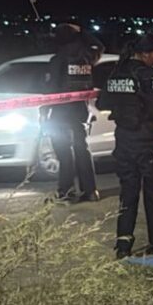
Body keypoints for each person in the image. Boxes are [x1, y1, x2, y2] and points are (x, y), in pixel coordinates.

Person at [96, 33, 153, 259]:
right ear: (144, 53)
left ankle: (123, 245)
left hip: (124, 141)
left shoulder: (118, 71)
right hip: (147, 142)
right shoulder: (147, 75)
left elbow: (102, 102)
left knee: (127, 193)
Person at [43, 23, 103, 202]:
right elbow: (100, 46)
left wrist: (44, 112)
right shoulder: (86, 57)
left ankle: (65, 192)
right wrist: (83, 32)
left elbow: (51, 90)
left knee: (63, 152)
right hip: (80, 111)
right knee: (82, 150)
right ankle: (90, 191)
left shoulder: (58, 60)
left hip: (60, 114)